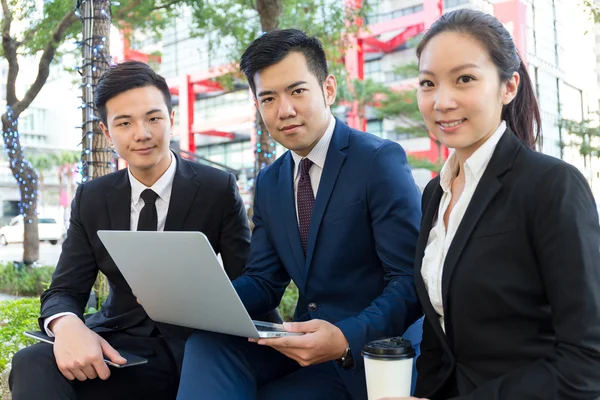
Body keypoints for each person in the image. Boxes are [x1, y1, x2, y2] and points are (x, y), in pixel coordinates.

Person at [175, 29, 423, 400]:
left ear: (328, 89)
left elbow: (407, 280)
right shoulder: (271, 181)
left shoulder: (377, 161)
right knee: (207, 345)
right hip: (301, 345)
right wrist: (202, 298)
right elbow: (263, 281)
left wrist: (344, 338)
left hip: (366, 353)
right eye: (268, 98)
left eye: (297, 91)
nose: (284, 110)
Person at [386, 8, 600, 400]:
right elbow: (440, 340)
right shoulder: (436, 192)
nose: (442, 101)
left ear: (509, 86)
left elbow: (587, 364)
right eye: (428, 83)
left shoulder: (552, 186)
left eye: (464, 79)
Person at [9, 61, 254, 399]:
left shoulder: (218, 188)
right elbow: (64, 289)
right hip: (119, 343)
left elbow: (250, 279)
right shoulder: (91, 197)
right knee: (30, 362)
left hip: (196, 347)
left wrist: (201, 298)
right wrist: (66, 325)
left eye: (154, 118)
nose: (142, 133)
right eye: (124, 123)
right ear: (107, 133)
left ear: (172, 119)